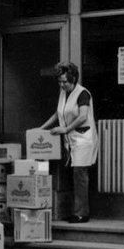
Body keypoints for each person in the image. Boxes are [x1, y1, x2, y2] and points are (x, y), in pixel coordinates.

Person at [39, 62, 98, 224]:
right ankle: (76, 211)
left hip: (83, 139)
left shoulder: (82, 94)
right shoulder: (63, 93)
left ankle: (81, 214)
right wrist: (40, 128)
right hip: (72, 141)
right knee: (74, 176)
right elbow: (58, 113)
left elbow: (82, 116)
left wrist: (65, 129)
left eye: (64, 81)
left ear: (73, 79)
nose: (62, 84)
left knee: (80, 176)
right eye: (59, 81)